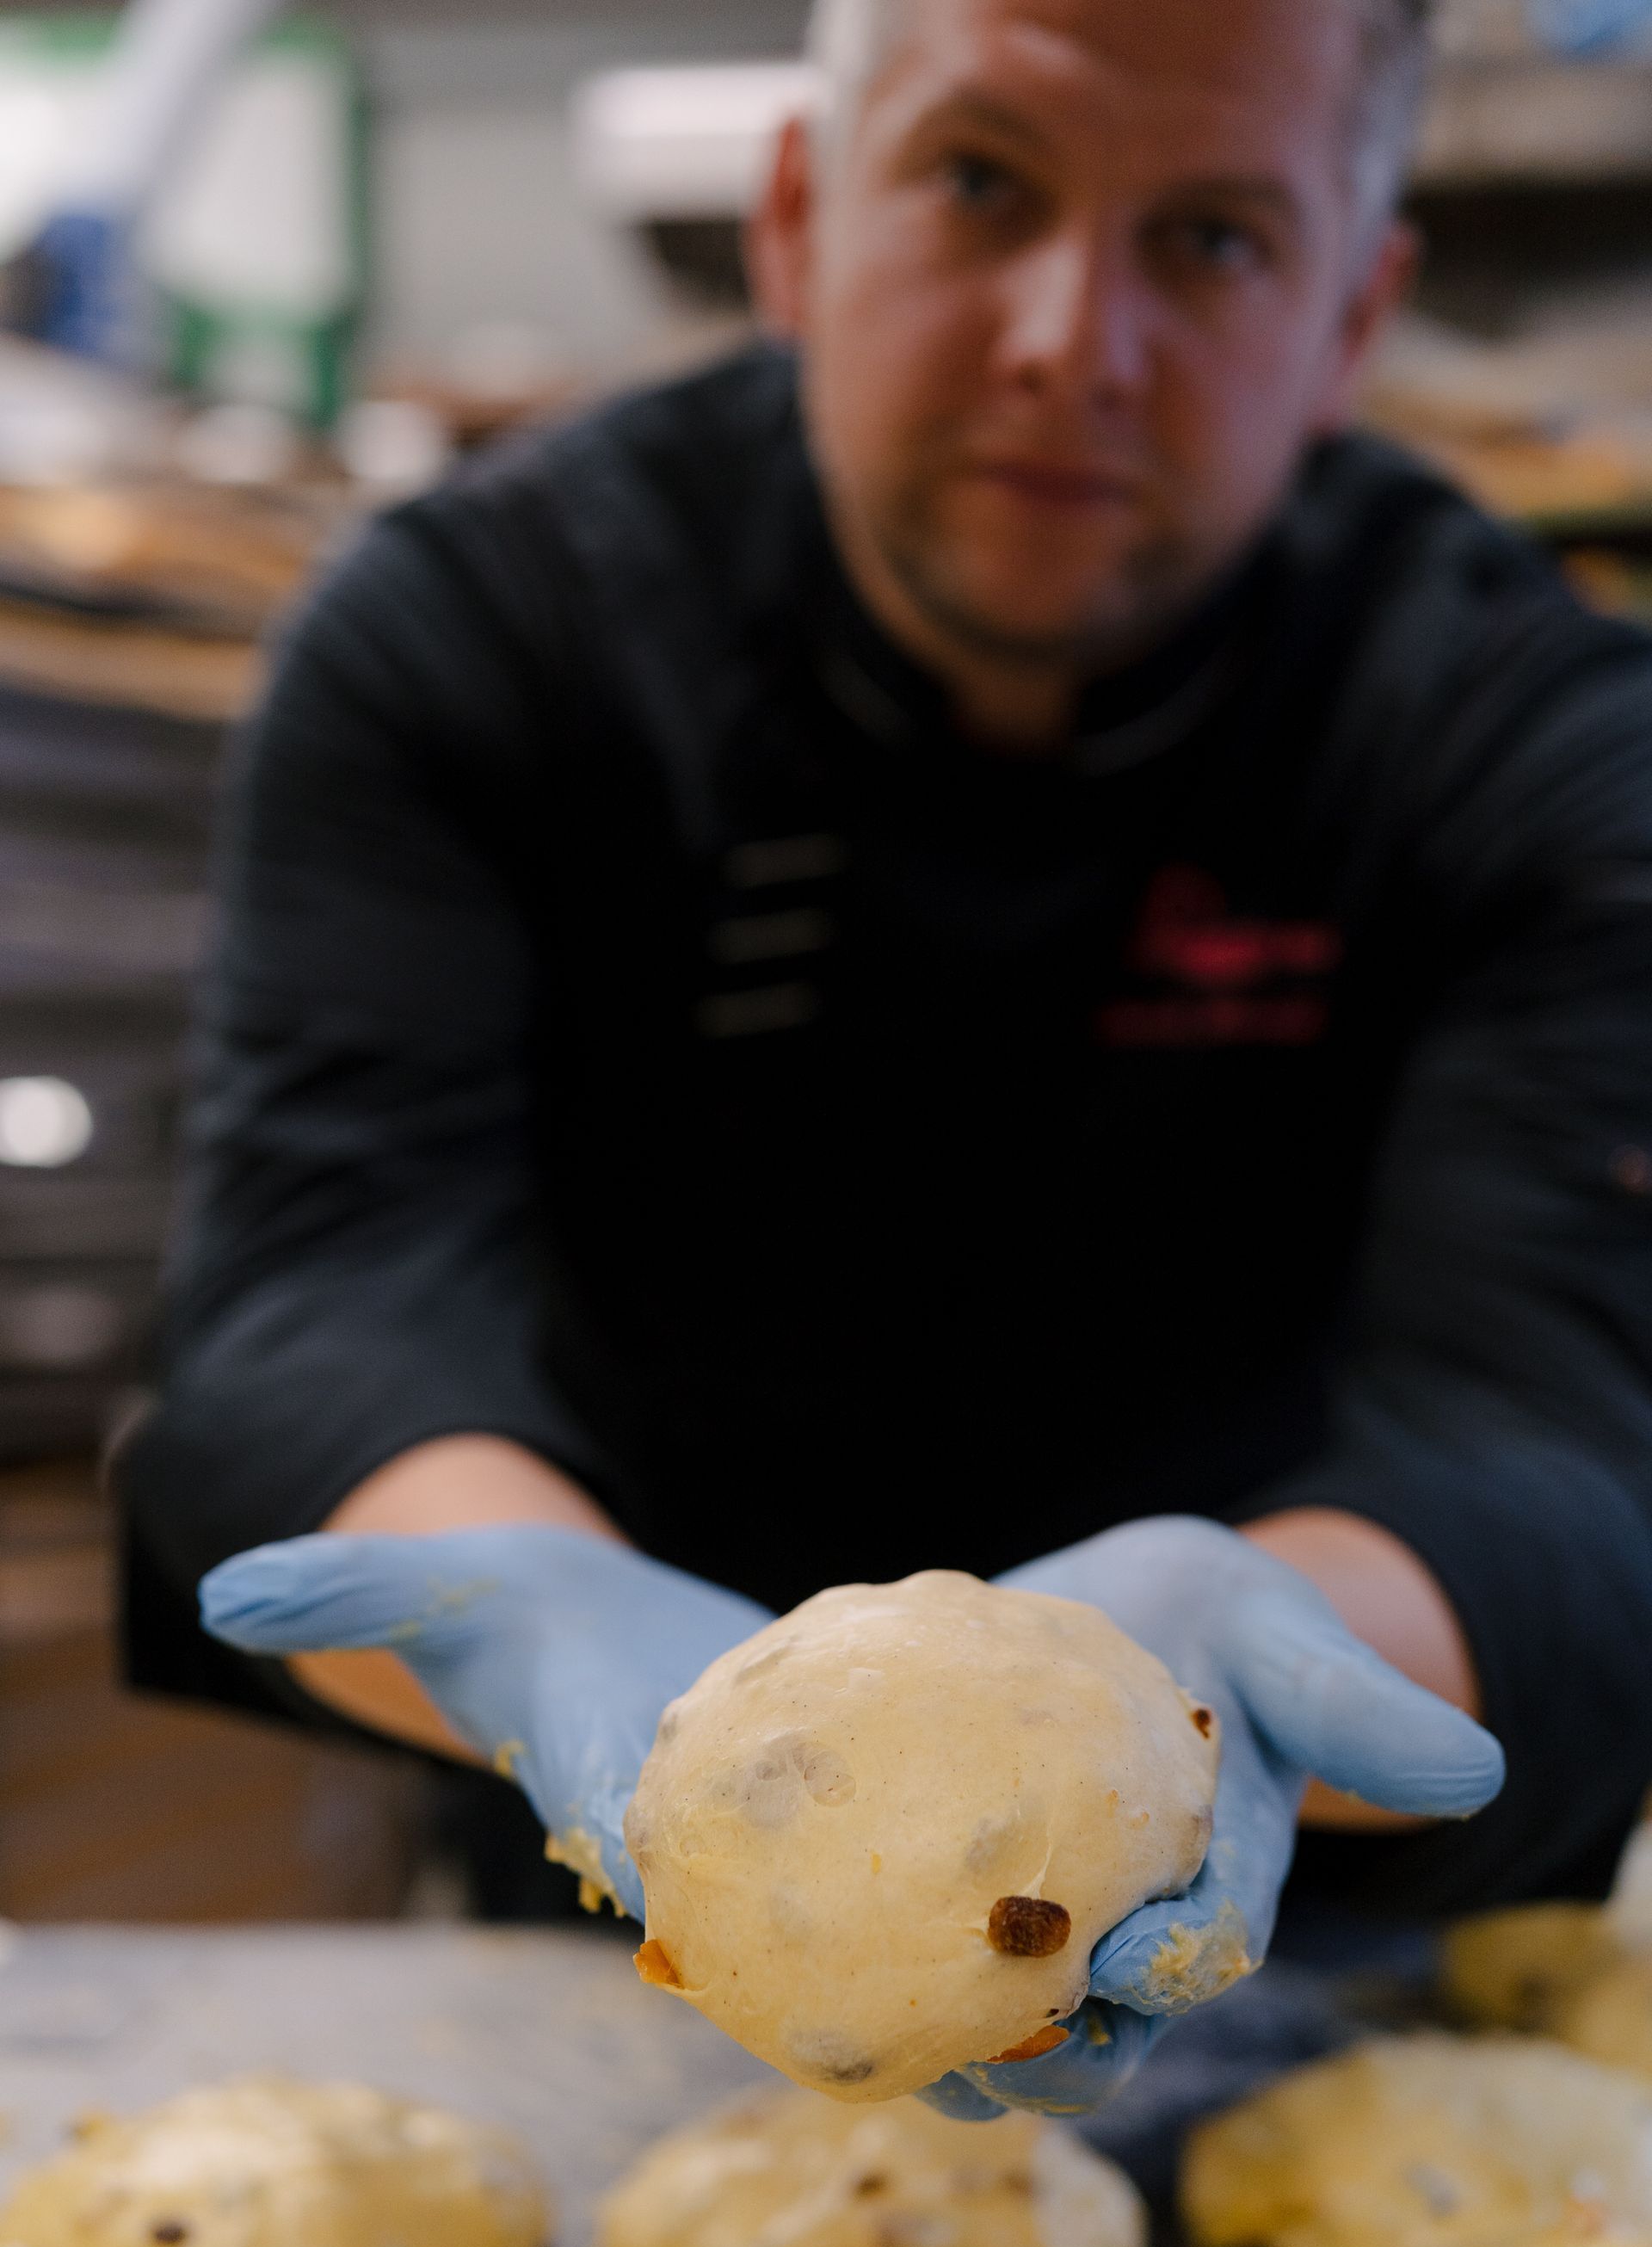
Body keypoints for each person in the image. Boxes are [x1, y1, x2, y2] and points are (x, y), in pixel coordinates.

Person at [126, 0, 1652, 2116]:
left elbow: (1566, 1423)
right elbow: (322, 1285)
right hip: (609, 1913)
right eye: (978, 182)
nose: (1069, 339)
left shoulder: (1525, 731)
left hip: (1329, 1966)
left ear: (1352, 315)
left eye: (1214, 240)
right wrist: (538, 1612)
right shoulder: (475, 640)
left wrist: (1229, 1684)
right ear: (794, 215)